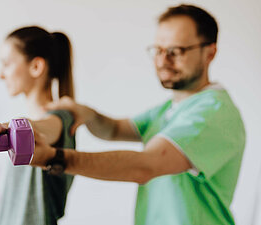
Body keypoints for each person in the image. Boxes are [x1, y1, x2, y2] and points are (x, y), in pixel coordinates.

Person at [34, 4, 246, 225]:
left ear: (209, 53)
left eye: (176, 51)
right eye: (159, 50)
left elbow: (143, 166)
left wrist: (52, 157)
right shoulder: (169, 109)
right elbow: (114, 129)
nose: (163, 61)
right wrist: (85, 113)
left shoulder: (213, 112)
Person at [0, 26, 76, 225]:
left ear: (36, 67)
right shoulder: (41, 121)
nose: (1, 75)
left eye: (6, 64)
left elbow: (40, 129)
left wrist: (4, 129)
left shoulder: (60, 119)